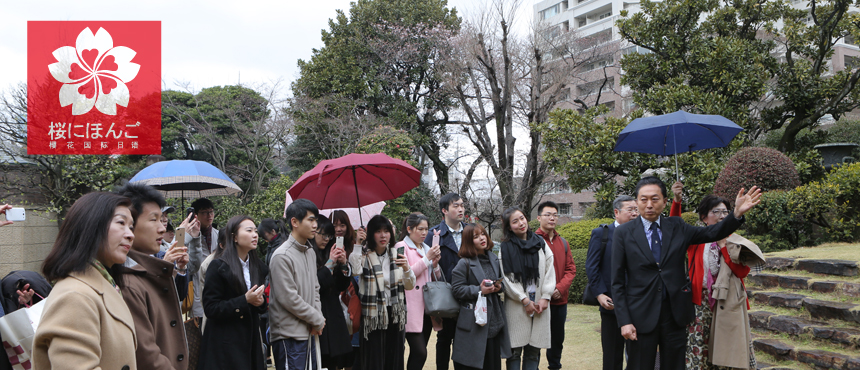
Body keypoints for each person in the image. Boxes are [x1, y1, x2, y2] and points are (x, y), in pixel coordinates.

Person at [611, 177, 761, 370]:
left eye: (655, 199)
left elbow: (712, 233)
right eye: (643, 199)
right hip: (640, 314)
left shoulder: (677, 226)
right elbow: (616, 281)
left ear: (665, 201)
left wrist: (736, 214)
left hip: (675, 313)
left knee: (675, 365)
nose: (649, 205)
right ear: (637, 201)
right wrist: (624, 321)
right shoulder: (623, 233)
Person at [34, 192, 137, 370]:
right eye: (121, 223)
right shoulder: (75, 296)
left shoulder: (104, 285)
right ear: (91, 225)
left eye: (131, 227)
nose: (130, 235)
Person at [668, 184, 757, 369]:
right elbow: (674, 227)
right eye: (716, 211)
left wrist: (724, 246)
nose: (722, 216)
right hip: (701, 302)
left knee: (727, 351)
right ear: (704, 217)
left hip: (728, 303)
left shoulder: (736, 242)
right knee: (699, 345)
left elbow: (742, 272)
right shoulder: (696, 239)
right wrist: (676, 201)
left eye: (725, 212)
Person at [115, 183, 190, 370]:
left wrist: (178, 269)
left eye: (162, 220)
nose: (162, 229)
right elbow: (146, 355)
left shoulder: (145, 270)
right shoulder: (128, 282)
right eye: (153, 220)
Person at [198, 215, 268, 370]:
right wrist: (244, 300)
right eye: (249, 230)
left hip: (251, 341)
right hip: (225, 344)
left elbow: (261, 304)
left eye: (256, 231)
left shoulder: (258, 267)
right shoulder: (218, 266)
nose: (255, 235)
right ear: (234, 237)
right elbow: (211, 308)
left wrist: (261, 302)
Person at [269, 199, 326, 370]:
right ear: (294, 222)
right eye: (310, 220)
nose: (315, 225)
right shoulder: (282, 255)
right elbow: (289, 298)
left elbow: (316, 288)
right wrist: (317, 318)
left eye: (316, 220)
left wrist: (317, 318)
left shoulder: (309, 252)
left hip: (309, 332)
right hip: (289, 336)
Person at [355, 215, 416, 370]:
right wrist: (357, 243)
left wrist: (407, 268)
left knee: (394, 357)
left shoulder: (397, 254)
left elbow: (409, 285)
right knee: (374, 359)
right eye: (378, 231)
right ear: (371, 234)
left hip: (394, 312)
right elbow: (354, 270)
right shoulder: (363, 254)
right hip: (373, 314)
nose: (383, 235)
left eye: (386, 231)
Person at [498, 207, 556, 370]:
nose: (521, 223)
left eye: (522, 218)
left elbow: (550, 270)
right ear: (509, 227)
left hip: (539, 303)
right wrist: (523, 299)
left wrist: (546, 296)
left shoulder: (540, 242)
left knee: (533, 352)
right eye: (515, 221)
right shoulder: (505, 247)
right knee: (514, 352)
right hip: (516, 305)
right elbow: (507, 278)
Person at [586, 195, 638, 370]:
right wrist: (599, 293)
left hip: (638, 302)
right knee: (612, 354)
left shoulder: (643, 234)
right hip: (611, 303)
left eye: (636, 209)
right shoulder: (602, 233)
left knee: (637, 354)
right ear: (616, 212)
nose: (635, 213)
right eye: (630, 209)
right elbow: (592, 266)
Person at [451, 223, 511, 370]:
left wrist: (499, 287)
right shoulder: (463, 263)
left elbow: (501, 281)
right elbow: (457, 290)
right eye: (476, 237)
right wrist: (479, 289)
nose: (482, 238)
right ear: (468, 242)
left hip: (495, 321)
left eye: (483, 234)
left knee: (493, 363)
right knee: (474, 364)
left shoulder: (493, 258)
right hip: (474, 323)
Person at [425, 193, 467, 370]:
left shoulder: (470, 231)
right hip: (444, 295)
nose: (460, 209)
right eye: (455, 206)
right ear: (444, 210)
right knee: (444, 339)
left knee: (463, 340)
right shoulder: (433, 235)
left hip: (467, 294)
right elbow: (426, 266)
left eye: (462, 205)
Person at [396, 213, 442, 370]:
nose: (424, 233)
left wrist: (435, 265)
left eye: (426, 229)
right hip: (410, 307)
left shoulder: (427, 248)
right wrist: (427, 259)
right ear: (409, 229)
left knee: (419, 355)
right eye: (420, 229)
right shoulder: (401, 246)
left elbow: (435, 278)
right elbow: (405, 276)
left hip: (427, 307)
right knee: (420, 352)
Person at [534, 201, 576, 370]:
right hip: (539, 301)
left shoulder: (563, 242)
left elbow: (570, 269)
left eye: (555, 215)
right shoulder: (532, 241)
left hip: (559, 301)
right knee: (535, 340)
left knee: (557, 340)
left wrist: (560, 288)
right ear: (538, 218)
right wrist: (547, 292)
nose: (552, 218)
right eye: (548, 214)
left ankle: (555, 366)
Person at [311, 215, 354, 369]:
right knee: (320, 360)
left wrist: (343, 265)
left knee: (335, 362)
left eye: (329, 236)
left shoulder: (330, 251)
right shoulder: (308, 254)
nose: (326, 239)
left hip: (333, 314)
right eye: (323, 235)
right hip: (317, 313)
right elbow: (314, 284)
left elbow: (341, 286)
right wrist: (329, 264)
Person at [186, 198, 217, 320]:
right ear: (196, 215)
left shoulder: (219, 235)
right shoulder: (187, 236)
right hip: (197, 286)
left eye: (211, 212)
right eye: (204, 212)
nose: (209, 215)